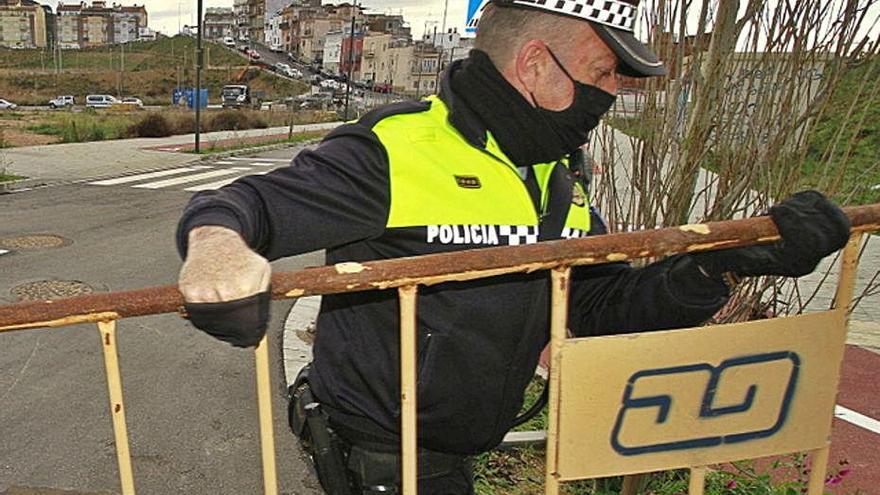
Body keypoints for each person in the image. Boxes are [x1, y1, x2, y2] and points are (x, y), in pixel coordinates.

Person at [176, 0, 851, 493]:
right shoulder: (397, 149)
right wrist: (216, 250)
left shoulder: (554, 173)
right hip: (384, 461)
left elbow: (599, 301)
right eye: (604, 72)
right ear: (535, 64)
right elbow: (243, 205)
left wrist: (723, 258)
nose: (613, 92)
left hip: (456, 451)